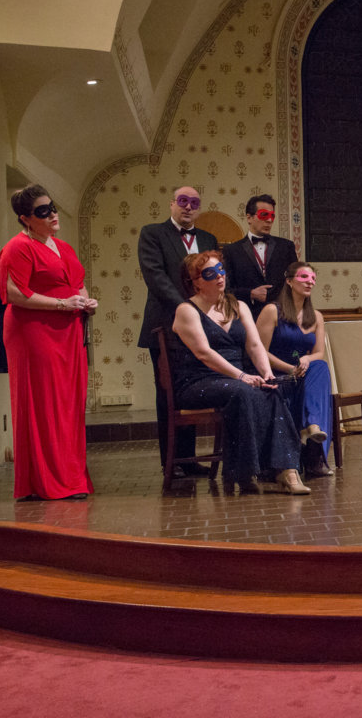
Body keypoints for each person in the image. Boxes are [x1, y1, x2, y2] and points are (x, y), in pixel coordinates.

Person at [170, 252, 310, 495]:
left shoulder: (238, 306)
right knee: (243, 391)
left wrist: (267, 375)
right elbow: (204, 353)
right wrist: (242, 376)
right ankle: (245, 473)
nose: (220, 277)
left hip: (233, 378)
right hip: (198, 380)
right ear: (196, 281)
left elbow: (255, 346)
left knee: (271, 391)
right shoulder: (187, 310)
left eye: (221, 270)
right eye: (210, 274)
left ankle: (286, 470)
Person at [0, 185, 97, 501]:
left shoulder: (63, 247)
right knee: (46, 404)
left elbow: (76, 284)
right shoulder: (17, 247)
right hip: (34, 332)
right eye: (43, 211)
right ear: (26, 219)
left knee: (68, 404)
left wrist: (84, 301)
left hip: (67, 332)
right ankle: (46, 482)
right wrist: (62, 305)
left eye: (52, 207)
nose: (53, 214)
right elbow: (14, 293)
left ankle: (70, 477)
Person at [138, 186, 218, 477]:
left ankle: (190, 459)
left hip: (202, 330)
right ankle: (171, 461)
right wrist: (188, 309)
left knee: (193, 389)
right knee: (167, 393)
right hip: (165, 326)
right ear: (172, 204)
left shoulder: (208, 239)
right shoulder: (152, 234)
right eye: (182, 201)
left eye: (194, 203)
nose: (188, 207)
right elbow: (155, 277)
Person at [257, 261, 334, 478]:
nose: (310, 282)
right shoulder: (272, 311)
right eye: (304, 277)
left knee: (320, 365)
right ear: (289, 281)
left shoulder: (316, 316)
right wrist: (290, 368)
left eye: (313, 279)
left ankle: (312, 427)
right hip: (278, 374)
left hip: (303, 373)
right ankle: (309, 432)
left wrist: (307, 359)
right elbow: (259, 352)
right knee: (316, 371)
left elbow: (319, 352)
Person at [222, 194, 298, 320]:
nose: (269, 220)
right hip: (246, 318)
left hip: (282, 317)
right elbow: (226, 289)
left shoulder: (286, 247)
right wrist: (250, 293)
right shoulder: (231, 251)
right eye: (264, 215)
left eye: (272, 216)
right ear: (249, 218)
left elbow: (295, 282)